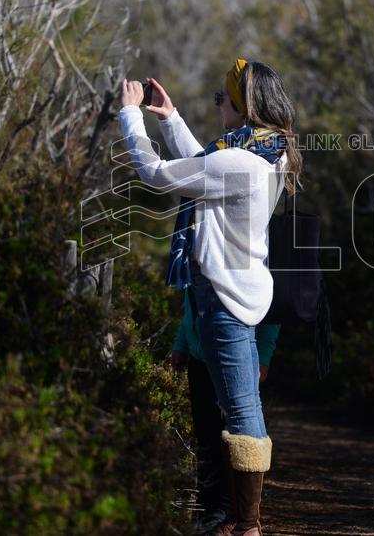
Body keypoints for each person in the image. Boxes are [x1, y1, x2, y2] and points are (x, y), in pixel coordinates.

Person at [117, 59, 301, 536]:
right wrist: (170, 118)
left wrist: (130, 114)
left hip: (223, 301)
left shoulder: (237, 163)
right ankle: (240, 522)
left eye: (222, 98)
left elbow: (157, 174)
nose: (217, 104)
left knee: (242, 413)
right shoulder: (265, 154)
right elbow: (207, 166)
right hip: (236, 293)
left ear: (242, 105)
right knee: (242, 411)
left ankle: (247, 526)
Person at [170, 292, 281, 534]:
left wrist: (263, 354)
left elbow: (269, 308)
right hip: (200, 357)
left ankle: (230, 514)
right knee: (206, 436)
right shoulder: (200, 257)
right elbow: (192, 303)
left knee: (231, 435)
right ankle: (207, 511)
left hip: (230, 356)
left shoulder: (241, 256)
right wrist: (182, 344)